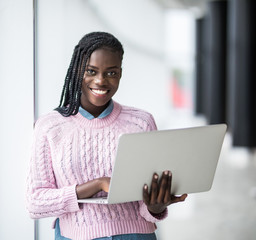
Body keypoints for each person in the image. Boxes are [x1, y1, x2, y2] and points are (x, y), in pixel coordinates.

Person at [26, 32, 187, 240]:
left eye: (111, 73)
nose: (100, 81)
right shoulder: (49, 126)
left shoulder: (141, 122)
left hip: (135, 235)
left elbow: (146, 209)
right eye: (91, 71)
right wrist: (98, 184)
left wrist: (155, 207)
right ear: (76, 71)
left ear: (120, 73)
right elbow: (35, 202)